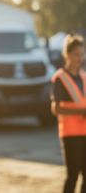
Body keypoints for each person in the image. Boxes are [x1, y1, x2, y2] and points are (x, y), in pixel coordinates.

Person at [51, 34, 86, 193]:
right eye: (77, 55)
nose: (80, 58)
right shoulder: (60, 78)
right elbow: (56, 109)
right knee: (73, 175)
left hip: (85, 132)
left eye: (82, 54)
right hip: (70, 133)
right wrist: (80, 111)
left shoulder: (83, 77)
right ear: (67, 55)